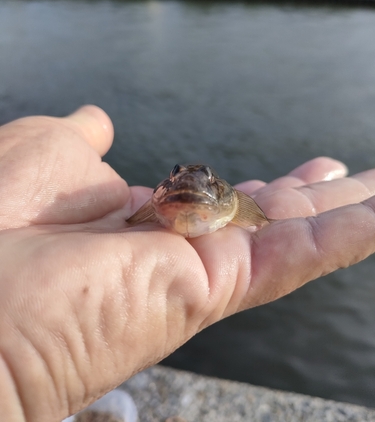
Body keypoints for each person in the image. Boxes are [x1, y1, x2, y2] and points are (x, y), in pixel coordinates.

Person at [0, 105, 375, 422]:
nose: (189, 188)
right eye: (176, 179)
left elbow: (253, 216)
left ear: (224, 192)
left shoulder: (231, 202)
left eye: (208, 183)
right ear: (164, 186)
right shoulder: (160, 200)